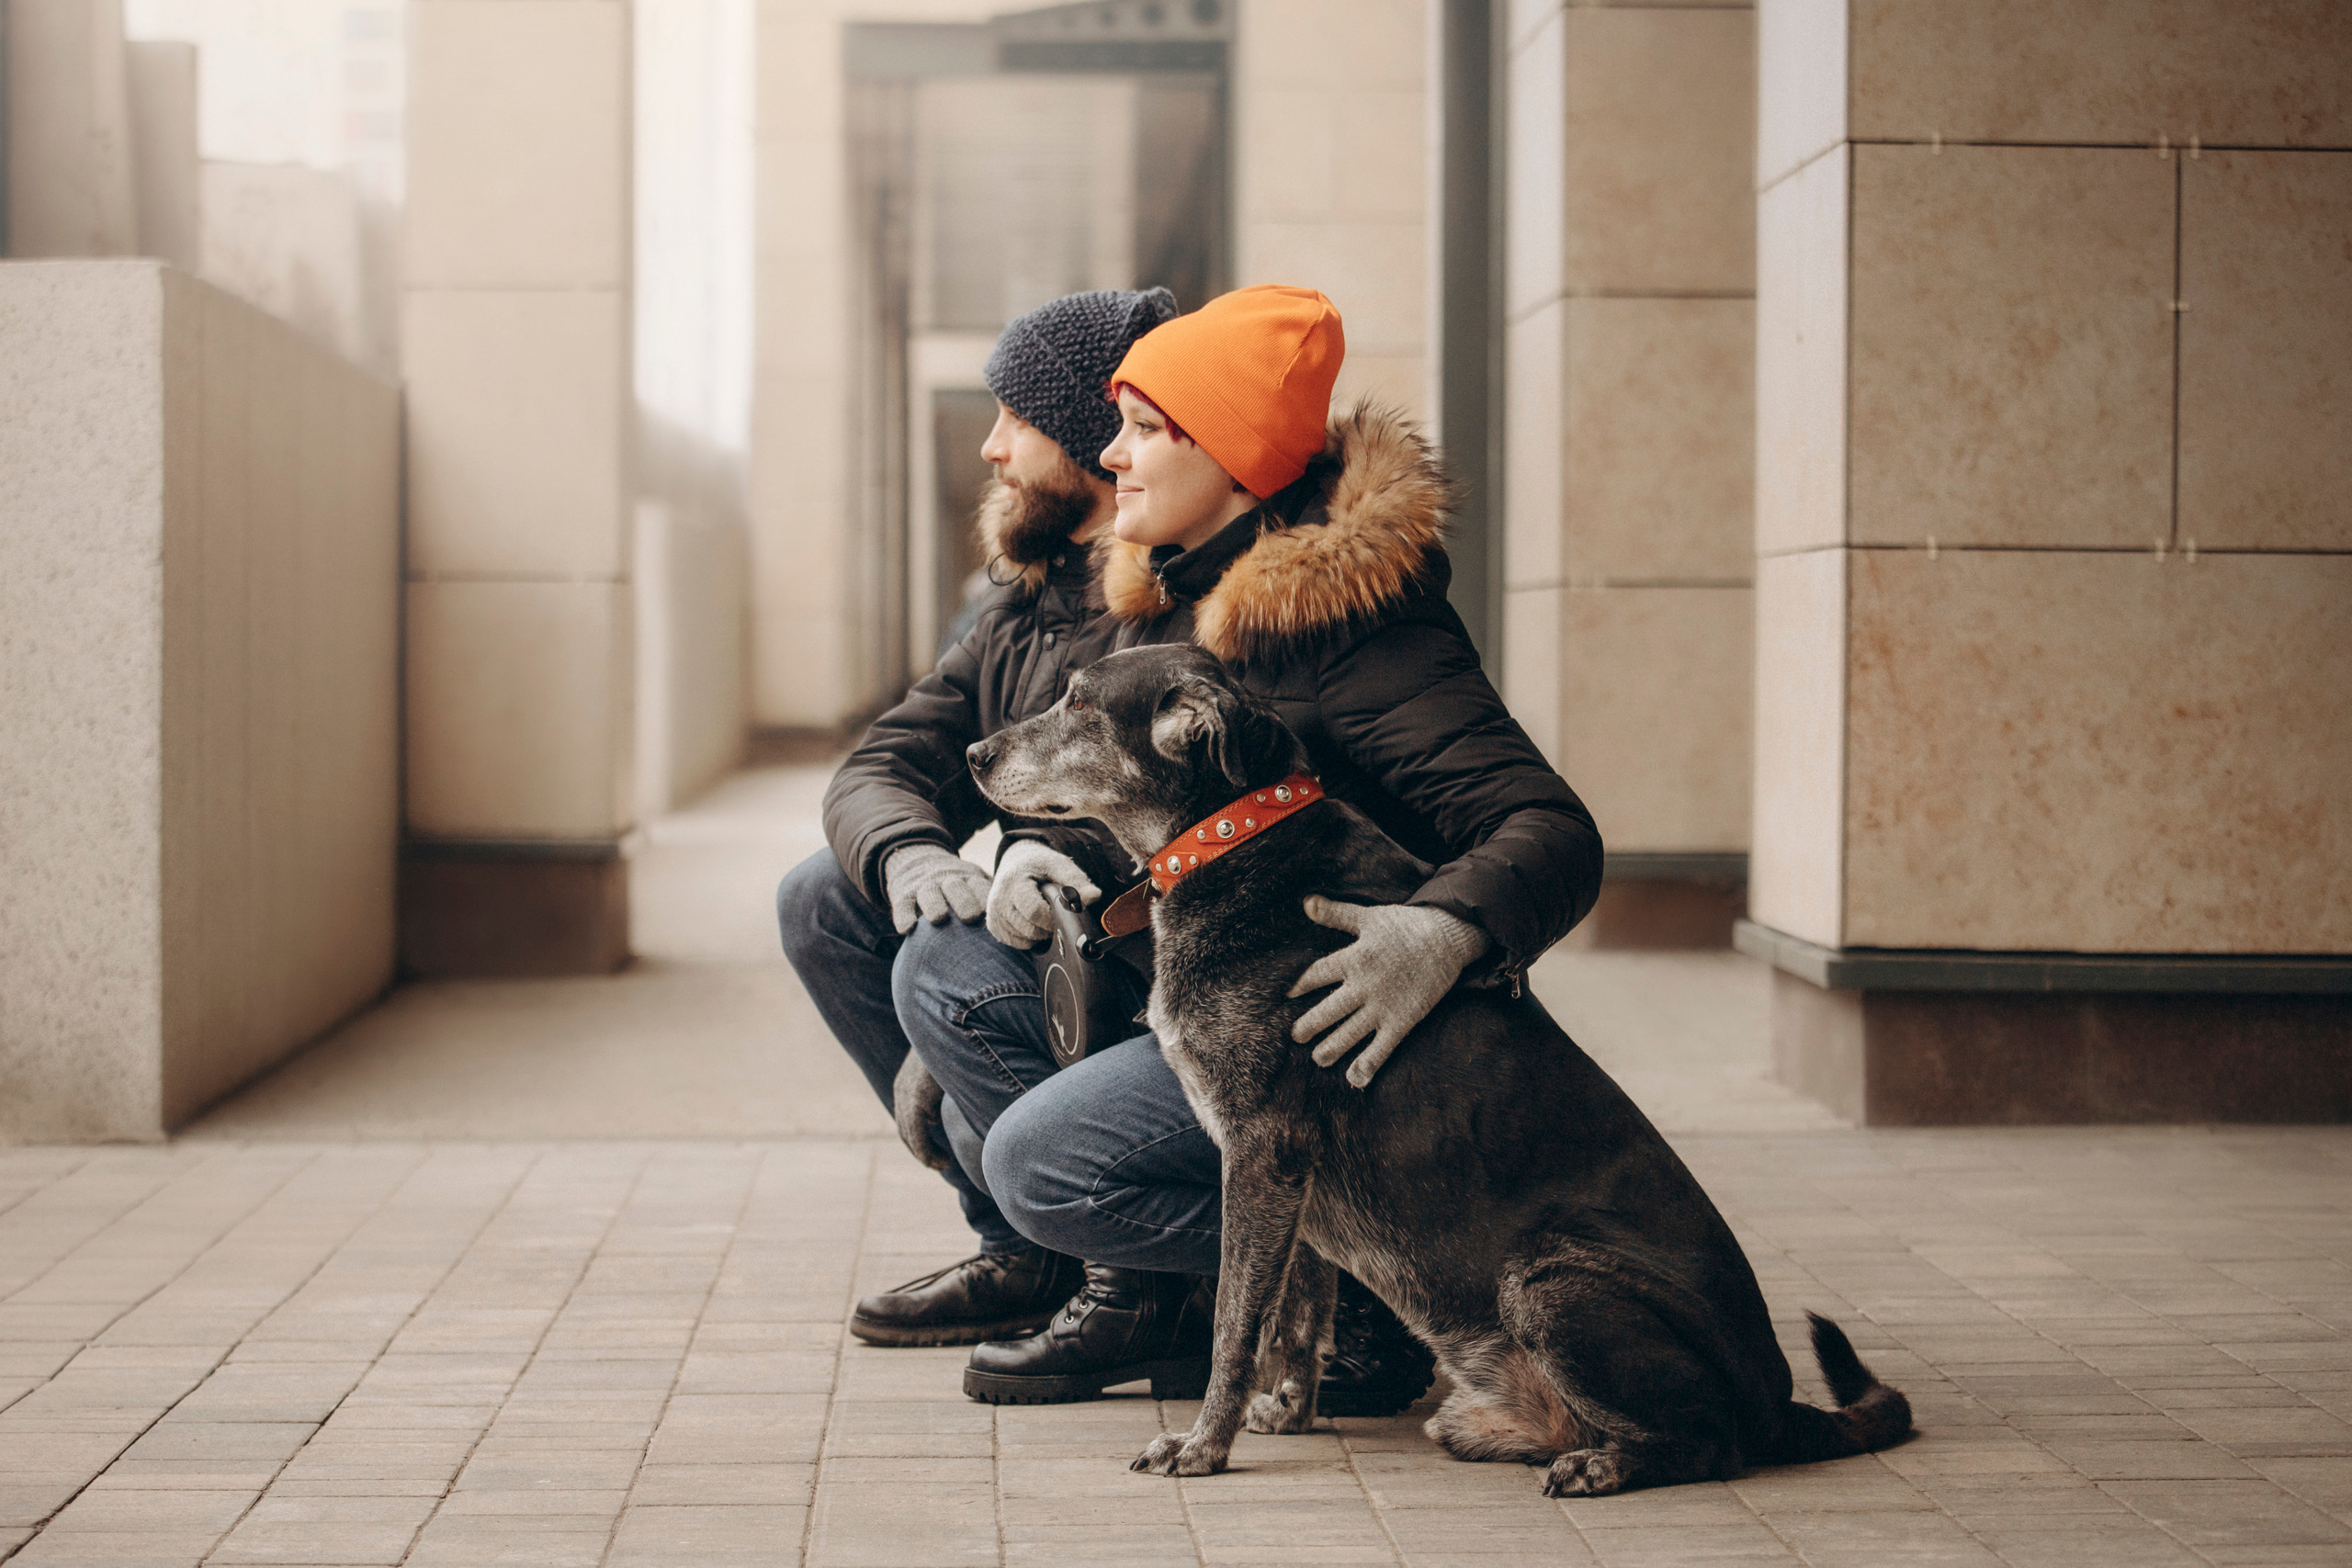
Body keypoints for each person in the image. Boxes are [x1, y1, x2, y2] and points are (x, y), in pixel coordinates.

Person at [928, 286, 1608, 1407]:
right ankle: (1186, 1295)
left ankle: (1381, 1311)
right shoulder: (1169, 592)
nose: (1113, 454)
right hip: (1206, 983)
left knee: (1040, 1161)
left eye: (1145, 428)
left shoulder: (1355, 626)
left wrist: (1439, 932)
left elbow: (1547, 829)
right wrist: (1034, 857)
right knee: (952, 1017)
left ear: (1236, 459)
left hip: (1324, 1038)